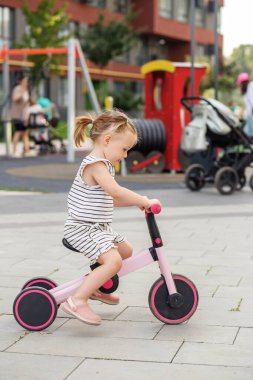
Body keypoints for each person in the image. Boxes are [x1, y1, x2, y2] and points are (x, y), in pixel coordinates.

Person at [62, 109, 161, 325]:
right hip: (83, 228)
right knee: (114, 261)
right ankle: (77, 300)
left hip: (98, 228)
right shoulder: (95, 165)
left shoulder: (103, 165)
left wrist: (136, 202)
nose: (125, 155)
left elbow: (113, 199)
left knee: (125, 250)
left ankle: (95, 286)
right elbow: (115, 192)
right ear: (107, 140)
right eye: (124, 149)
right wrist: (143, 200)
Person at [9, 74, 30, 157]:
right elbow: (14, 98)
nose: (26, 83)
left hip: (24, 115)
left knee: (25, 133)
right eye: (25, 81)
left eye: (27, 81)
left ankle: (27, 150)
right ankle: (14, 151)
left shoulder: (26, 90)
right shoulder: (17, 89)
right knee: (18, 132)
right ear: (21, 81)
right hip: (17, 115)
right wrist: (21, 94)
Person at [236, 72, 253, 137]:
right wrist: (240, 115)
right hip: (249, 115)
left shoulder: (251, 86)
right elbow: (246, 105)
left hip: (252, 114)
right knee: (246, 133)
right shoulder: (245, 91)